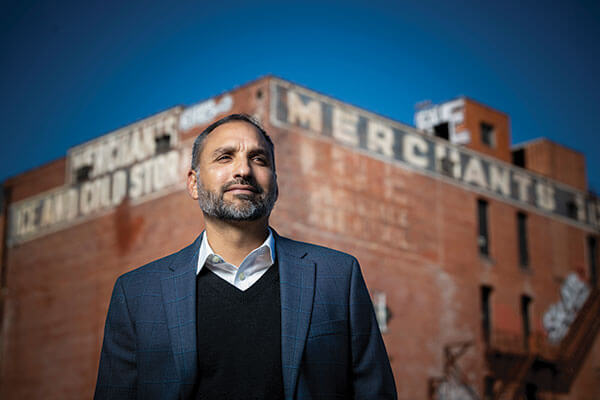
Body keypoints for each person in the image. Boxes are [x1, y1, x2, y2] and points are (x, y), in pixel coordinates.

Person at [94, 113, 397, 399]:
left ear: (275, 184)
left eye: (258, 159)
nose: (243, 170)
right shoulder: (136, 294)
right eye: (225, 157)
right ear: (193, 183)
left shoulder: (338, 277)